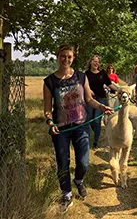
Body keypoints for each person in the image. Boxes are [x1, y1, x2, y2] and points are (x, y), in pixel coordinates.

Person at [43, 44, 113, 213]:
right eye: (63, 56)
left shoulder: (81, 77)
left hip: (81, 126)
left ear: (73, 58)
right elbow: (47, 109)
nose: (66, 59)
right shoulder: (50, 81)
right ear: (58, 57)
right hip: (61, 130)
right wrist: (50, 123)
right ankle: (67, 195)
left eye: (69, 56)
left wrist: (102, 107)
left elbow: (89, 99)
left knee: (83, 162)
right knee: (63, 162)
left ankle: (79, 180)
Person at [85, 55, 117, 150]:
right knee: (89, 120)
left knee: (96, 120)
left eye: (97, 62)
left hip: (101, 99)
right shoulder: (86, 74)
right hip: (90, 99)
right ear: (90, 62)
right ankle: (96, 133)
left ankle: (95, 142)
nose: (96, 63)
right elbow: (83, 85)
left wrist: (120, 90)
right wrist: (88, 90)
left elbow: (109, 84)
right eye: (94, 61)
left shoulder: (102, 73)